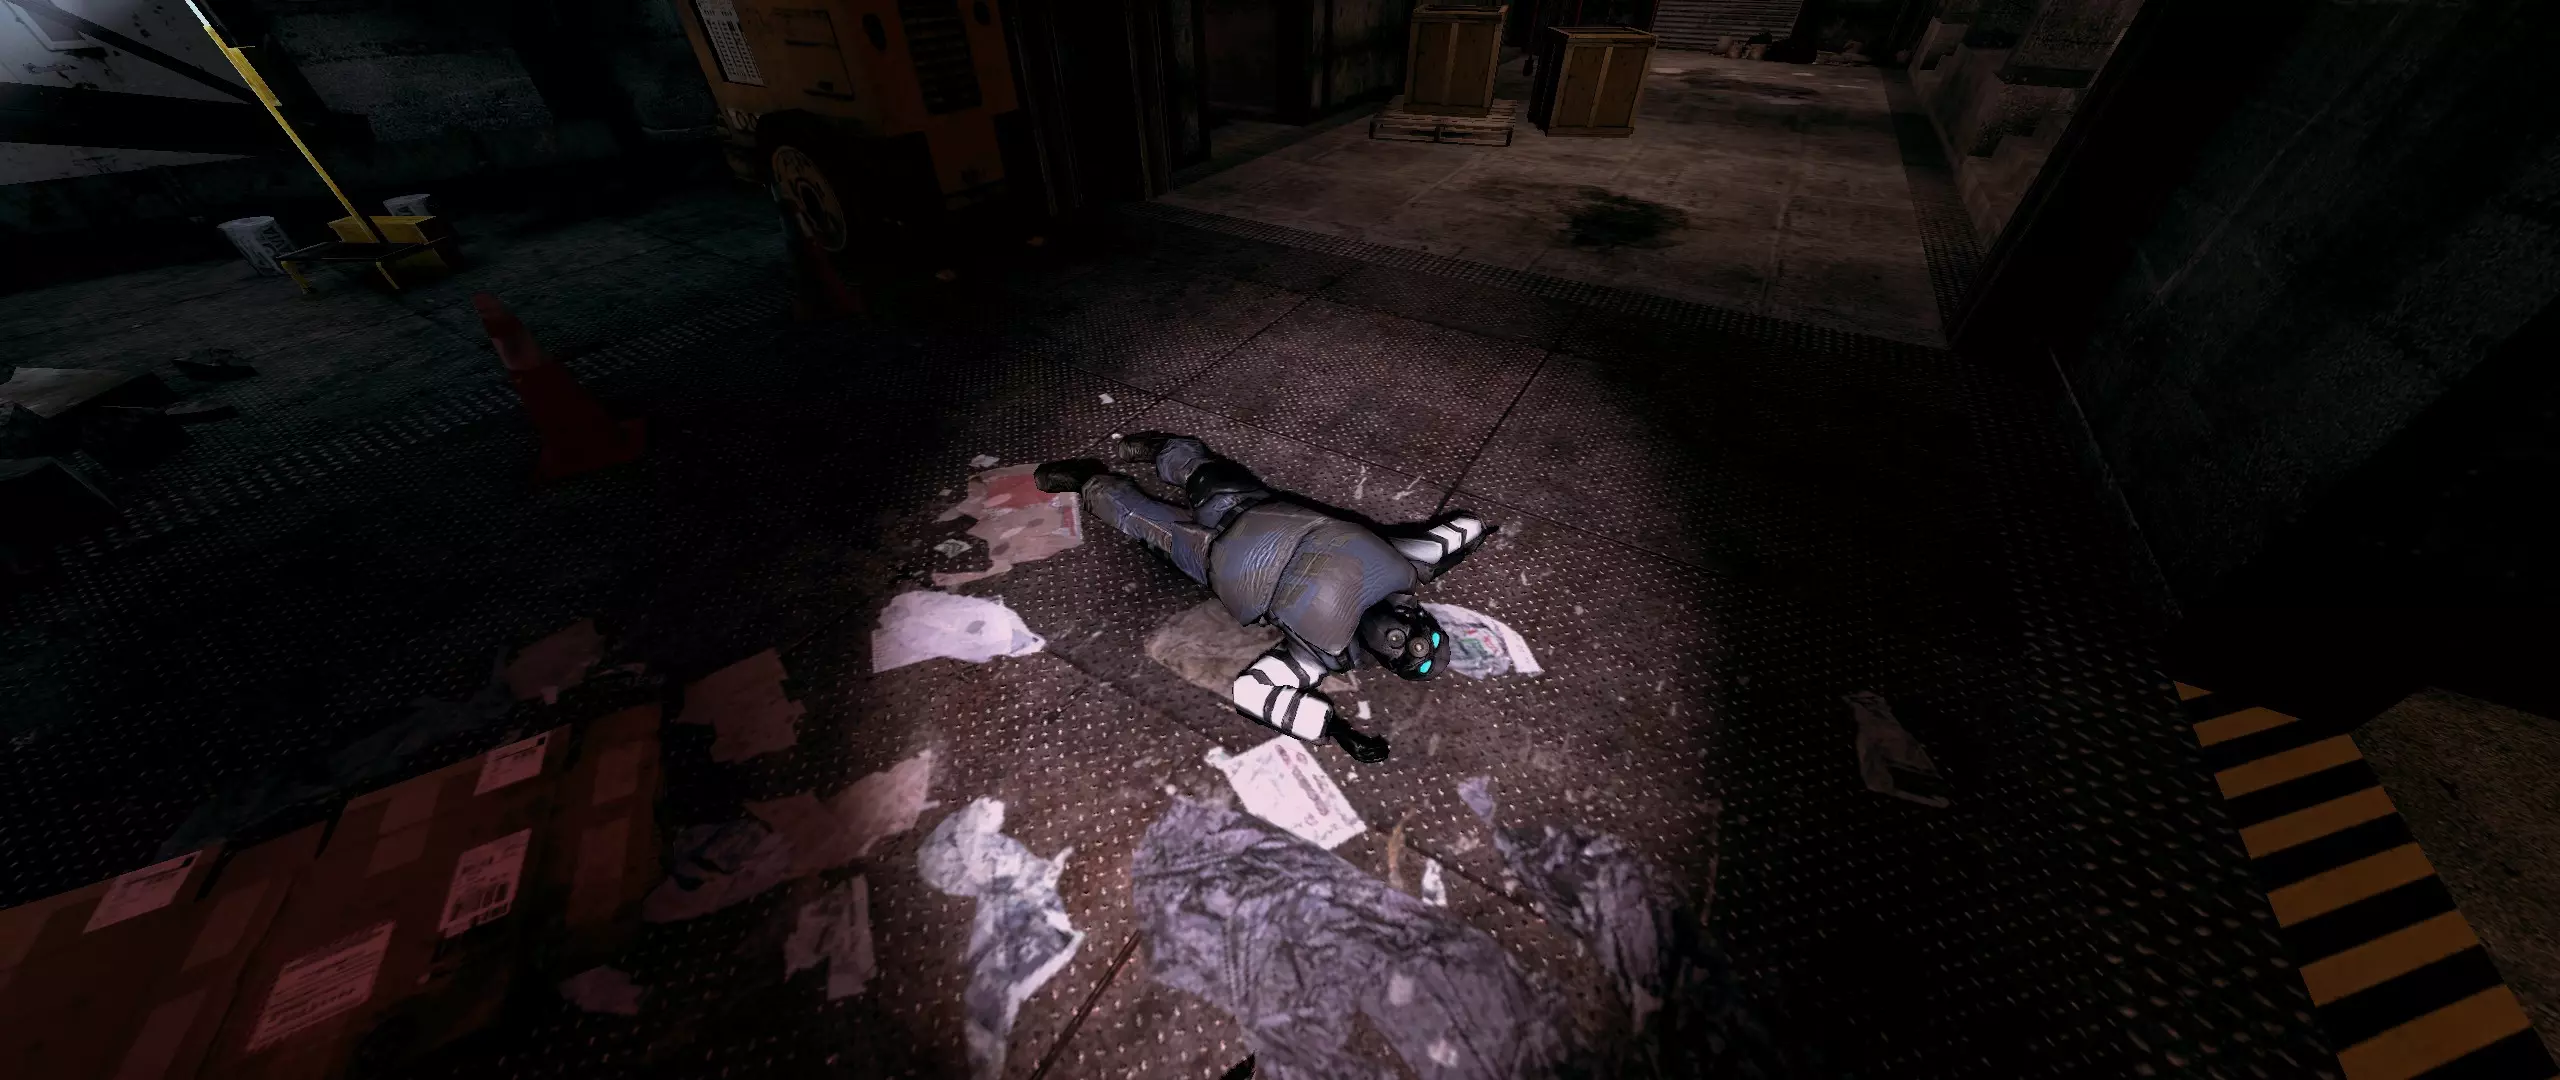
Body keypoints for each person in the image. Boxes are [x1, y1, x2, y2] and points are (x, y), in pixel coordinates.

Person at [1036, 434, 1494, 762]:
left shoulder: (1323, 655)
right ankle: (1161, 447)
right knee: (1197, 469)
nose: (1402, 638)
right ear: (1421, 618)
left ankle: (1088, 480)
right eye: (1419, 638)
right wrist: (1464, 542)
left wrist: (1333, 729)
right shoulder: (1406, 565)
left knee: (1135, 516)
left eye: (1403, 653)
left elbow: (1253, 692)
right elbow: (1460, 531)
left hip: (1210, 558)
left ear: (1387, 663)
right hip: (1249, 506)